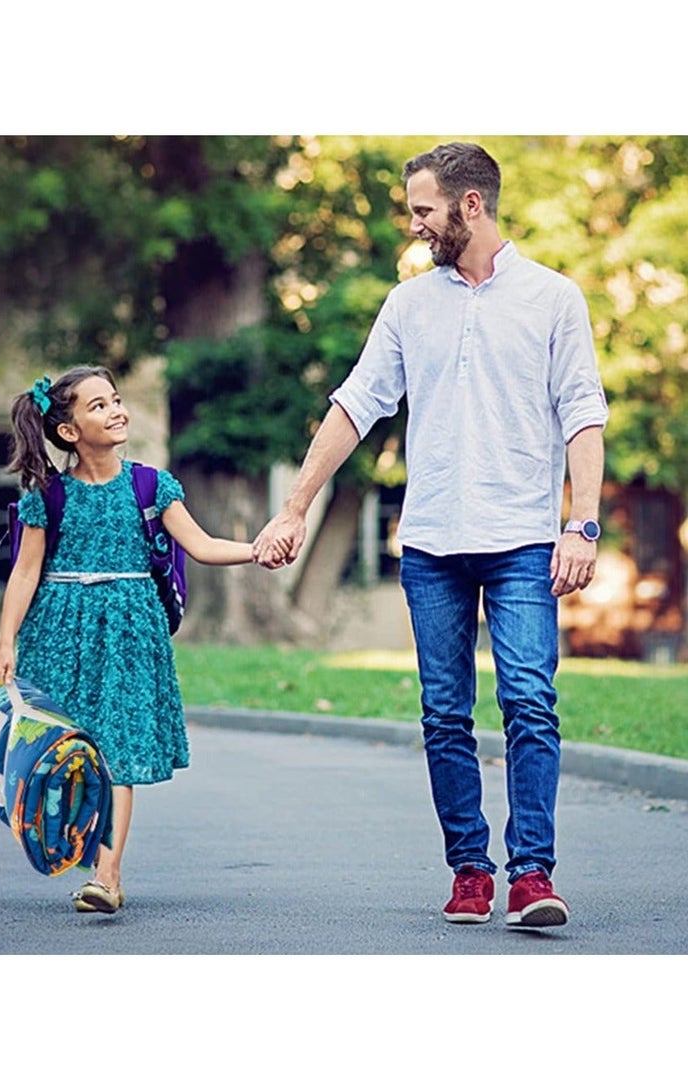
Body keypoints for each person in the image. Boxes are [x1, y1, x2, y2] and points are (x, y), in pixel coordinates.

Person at [254, 142, 608, 928]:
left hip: (522, 537)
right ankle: (470, 870)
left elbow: (584, 412)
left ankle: (533, 872)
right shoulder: (408, 305)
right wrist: (297, 505)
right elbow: (355, 405)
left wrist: (580, 521)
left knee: (529, 701)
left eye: (424, 209)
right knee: (445, 713)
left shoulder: (553, 297)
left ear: (470, 206)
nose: (414, 223)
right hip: (432, 542)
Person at [0, 365, 272, 914]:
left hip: (130, 633)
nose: (115, 410)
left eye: (116, 400)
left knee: (116, 748)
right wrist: (6, 642)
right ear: (68, 431)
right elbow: (25, 573)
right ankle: (74, 842)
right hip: (59, 632)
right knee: (70, 751)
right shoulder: (47, 497)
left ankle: (108, 875)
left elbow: (203, 544)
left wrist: (256, 550)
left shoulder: (149, 485)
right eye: (98, 405)